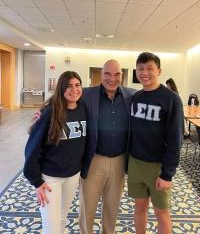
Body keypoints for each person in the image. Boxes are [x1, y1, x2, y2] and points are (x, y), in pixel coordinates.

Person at [23, 71, 87, 234]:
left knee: (62, 217)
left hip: (72, 175)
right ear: (61, 89)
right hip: (50, 179)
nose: (74, 89)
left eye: (77, 85)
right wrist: (36, 181)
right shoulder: (49, 113)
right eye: (69, 86)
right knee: (51, 226)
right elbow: (32, 148)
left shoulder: (83, 109)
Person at [128, 52, 184, 234]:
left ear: (159, 71)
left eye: (149, 68)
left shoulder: (171, 99)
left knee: (162, 214)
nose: (145, 73)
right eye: (141, 68)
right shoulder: (135, 97)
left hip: (158, 167)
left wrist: (167, 174)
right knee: (139, 208)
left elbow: (176, 139)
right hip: (136, 163)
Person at [79, 59, 136, 234]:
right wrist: (41, 113)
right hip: (94, 159)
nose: (112, 78)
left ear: (123, 76)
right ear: (101, 75)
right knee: (87, 208)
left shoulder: (132, 95)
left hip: (120, 161)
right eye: (107, 74)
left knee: (112, 208)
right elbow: (61, 99)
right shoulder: (87, 94)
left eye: (117, 74)